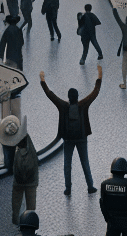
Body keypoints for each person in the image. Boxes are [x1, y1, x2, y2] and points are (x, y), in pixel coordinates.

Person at [39, 67, 101, 195]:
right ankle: (90, 186)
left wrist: (42, 80)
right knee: (85, 162)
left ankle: (68, 188)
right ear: (77, 97)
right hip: (82, 138)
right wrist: (99, 77)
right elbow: (95, 92)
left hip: (68, 139)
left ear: (68, 97)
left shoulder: (63, 106)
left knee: (67, 164)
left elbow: (50, 94)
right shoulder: (83, 105)